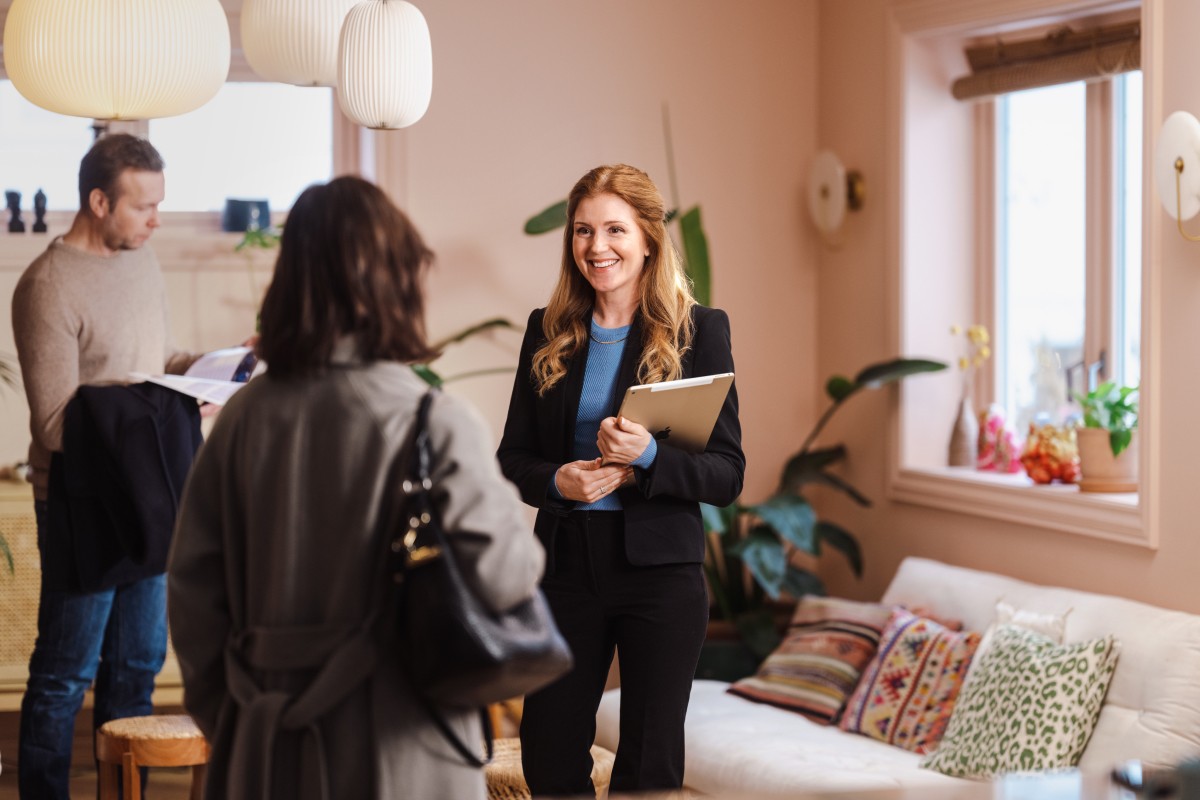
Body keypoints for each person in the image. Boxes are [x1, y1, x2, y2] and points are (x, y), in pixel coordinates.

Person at [167, 175, 544, 800]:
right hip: (406, 751)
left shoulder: (239, 419)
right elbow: (508, 574)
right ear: (397, 278)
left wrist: (235, 718)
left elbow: (192, 595)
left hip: (266, 748)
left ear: (291, 282)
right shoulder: (434, 419)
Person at [497, 163, 745, 796]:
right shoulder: (545, 330)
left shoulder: (699, 331)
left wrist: (650, 460)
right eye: (583, 231)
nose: (596, 247)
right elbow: (513, 456)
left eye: (614, 229)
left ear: (647, 239)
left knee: (648, 766)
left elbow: (726, 473)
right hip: (567, 567)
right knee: (549, 757)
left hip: (660, 576)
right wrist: (560, 482)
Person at [11, 133, 198, 799]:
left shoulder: (140, 259)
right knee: (66, 673)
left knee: (137, 667)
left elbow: (154, 358)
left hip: (147, 488)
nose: (156, 221)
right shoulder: (47, 287)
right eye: (143, 207)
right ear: (98, 201)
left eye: (160, 206)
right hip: (80, 498)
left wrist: (208, 370)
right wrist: (160, 412)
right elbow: (57, 426)